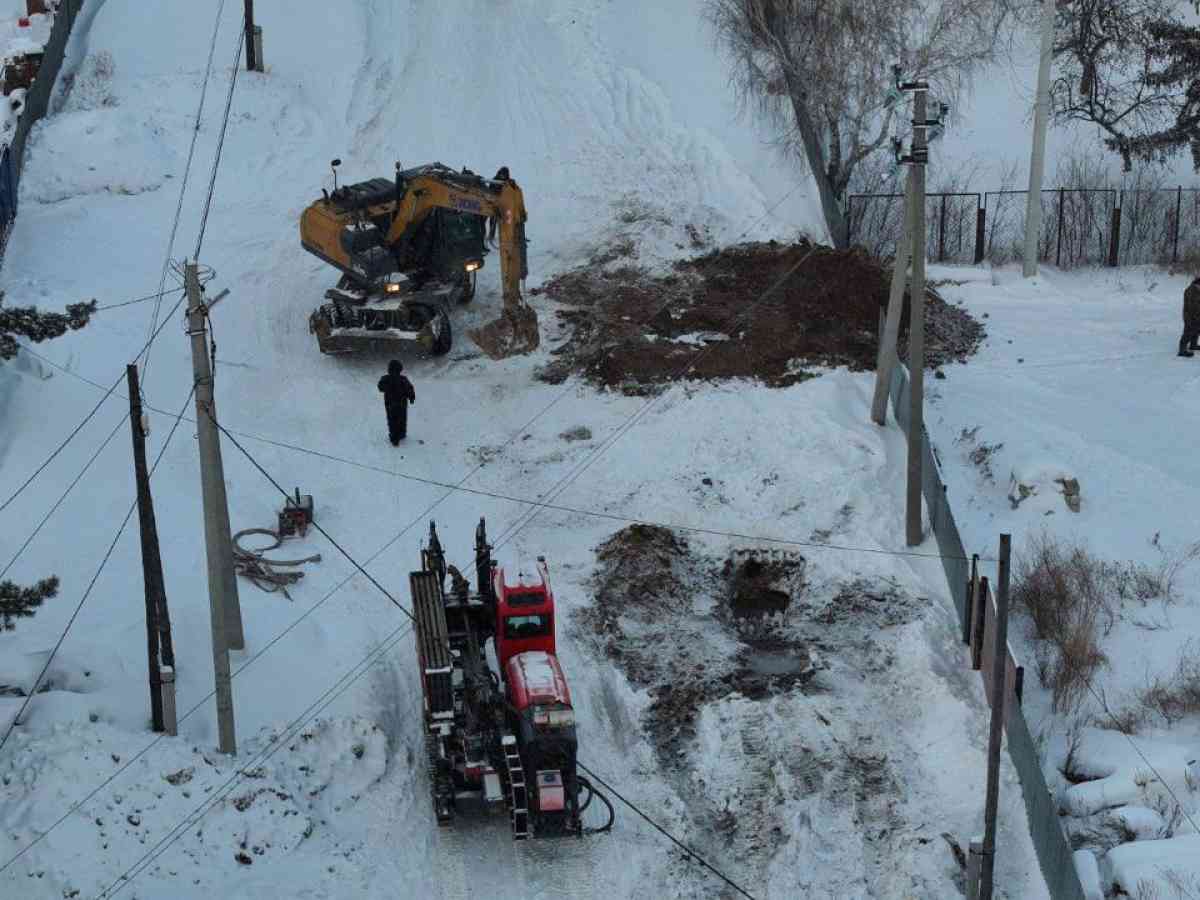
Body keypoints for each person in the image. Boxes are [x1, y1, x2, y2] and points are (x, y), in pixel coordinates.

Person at [377, 359, 416, 444]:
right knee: (401, 418)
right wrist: (411, 397)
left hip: (390, 403)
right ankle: (401, 433)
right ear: (400, 370)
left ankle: (394, 436)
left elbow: (380, 387)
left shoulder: (386, 378)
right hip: (401, 403)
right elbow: (409, 389)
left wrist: (387, 386)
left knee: (392, 420)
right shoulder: (403, 379)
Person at [1180, 276, 1200, 358]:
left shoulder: (1197, 290)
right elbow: (1192, 306)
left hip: (1197, 315)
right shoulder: (1191, 291)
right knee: (1188, 331)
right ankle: (1182, 350)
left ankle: (1193, 345)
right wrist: (1195, 316)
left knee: (1197, 330)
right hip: (1190, 315)